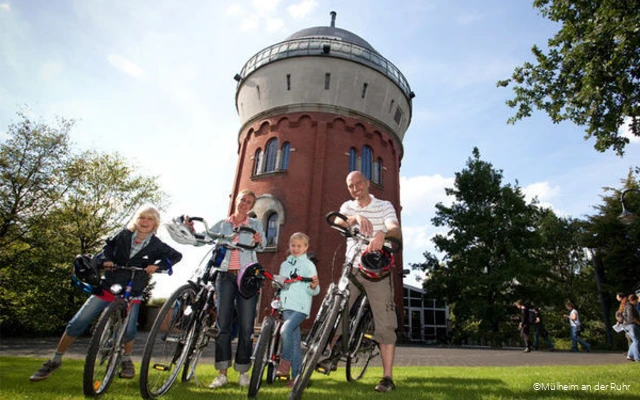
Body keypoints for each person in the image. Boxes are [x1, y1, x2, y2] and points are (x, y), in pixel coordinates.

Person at [29, 205, 182, 382]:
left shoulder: (157, 245)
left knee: (130, 330)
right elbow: (107, 247)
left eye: (149, 219)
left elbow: (176, 256)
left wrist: (159, 266)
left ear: (155, 223)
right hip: (108, 285)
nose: (144, 222)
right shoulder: (123, 235)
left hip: (133, 290)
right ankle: (55, 359)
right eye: (141, 217)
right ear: (136, 220)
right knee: (77, 322)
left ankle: (126, 359)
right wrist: (107, 260)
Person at [187, 189, 266, 388]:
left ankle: (243, 371)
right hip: (224, 277)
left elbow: (262, 245)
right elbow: (203, 238)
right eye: (242, 200)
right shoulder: (224, 224)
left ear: (252, 206)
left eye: (249, 201)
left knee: (247, 327)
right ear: (236, 201)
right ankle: (222, 373)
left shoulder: (255, 224)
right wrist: (190, 230)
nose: (245, 203)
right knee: (223, 326)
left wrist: (258, 240)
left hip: (246, 276)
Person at [332, 170, 402, 392]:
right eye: (351, 185)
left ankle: (387, 377)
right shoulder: (347, 206)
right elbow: (336, 222)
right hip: (351, 265)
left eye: (358, 183)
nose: (355, 188)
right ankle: (329, 353)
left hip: (377, 268)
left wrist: (382, 235)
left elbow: (395, 230)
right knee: (335, 307)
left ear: (368, 183)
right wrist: (354, 218)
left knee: (385, 321)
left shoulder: (384, 206)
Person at [275, 232, 320, 387]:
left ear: (306, 247)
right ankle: (297, 378)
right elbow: (282, 285)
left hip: (300, 307)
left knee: (285, 330)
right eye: (293, 245)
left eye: (299, 246)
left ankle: (284, 363)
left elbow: (315, 289)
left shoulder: (309, 265)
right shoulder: (284, 265)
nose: (295, 248)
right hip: (287, 306)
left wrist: (313, 286)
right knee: (294, 342)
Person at [619, 294, 640, 361]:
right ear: (633, 300)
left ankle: (630, 355)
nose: (637, 302)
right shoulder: (630, 307)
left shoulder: (627, 306)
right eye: (636, 300)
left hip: (626, 326)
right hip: (631, 325)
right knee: (637, 340)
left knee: (634, 341)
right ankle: (637, 358)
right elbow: (632, 318)